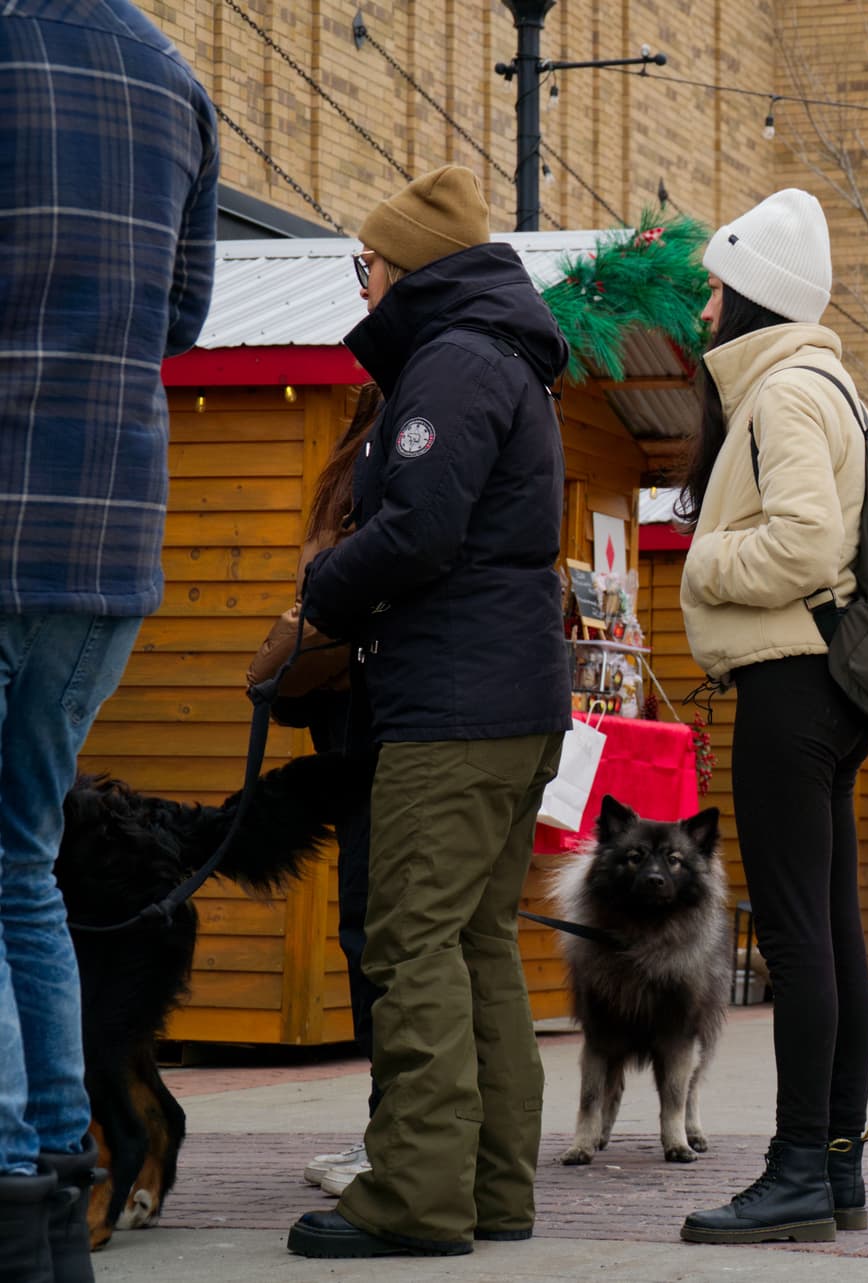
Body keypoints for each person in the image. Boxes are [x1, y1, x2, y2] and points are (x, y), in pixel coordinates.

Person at [286, 166, 572, 1258]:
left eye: (364, 261)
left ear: (403, 265)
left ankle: (414, 1194)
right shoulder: (500, 357)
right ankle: (493, 1187)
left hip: (451, 706)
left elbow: (417, 531)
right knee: (476, 942)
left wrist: (322, 585)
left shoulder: (450, 362)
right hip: (510, 698)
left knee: (410, 943)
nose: (359, 281)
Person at [0, 4, 217, 1278]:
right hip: (105, 533)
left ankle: (18, 1175)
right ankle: (50, 1177)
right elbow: (181, 316)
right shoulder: (172, 77)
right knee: (22, 860)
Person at [671, 190, 868, 1246]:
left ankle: (798, 1167)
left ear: (752, 295)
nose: (705, 306)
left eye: (716, 287)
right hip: (825, 690)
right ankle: (833, 1165)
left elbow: (801, 544)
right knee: (829, 932)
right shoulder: (820, 384)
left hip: (792, 683)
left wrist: (703, 559)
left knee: (798, 939)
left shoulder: (784, 394)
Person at [248, 386, 386, 1195]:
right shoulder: (368, 433)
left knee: (381, 933)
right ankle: (389, 1125)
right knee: (369, 928)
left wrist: (327, 581)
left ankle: (397, 1134)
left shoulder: (402, 420)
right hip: (350, 709)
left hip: (379, 713)